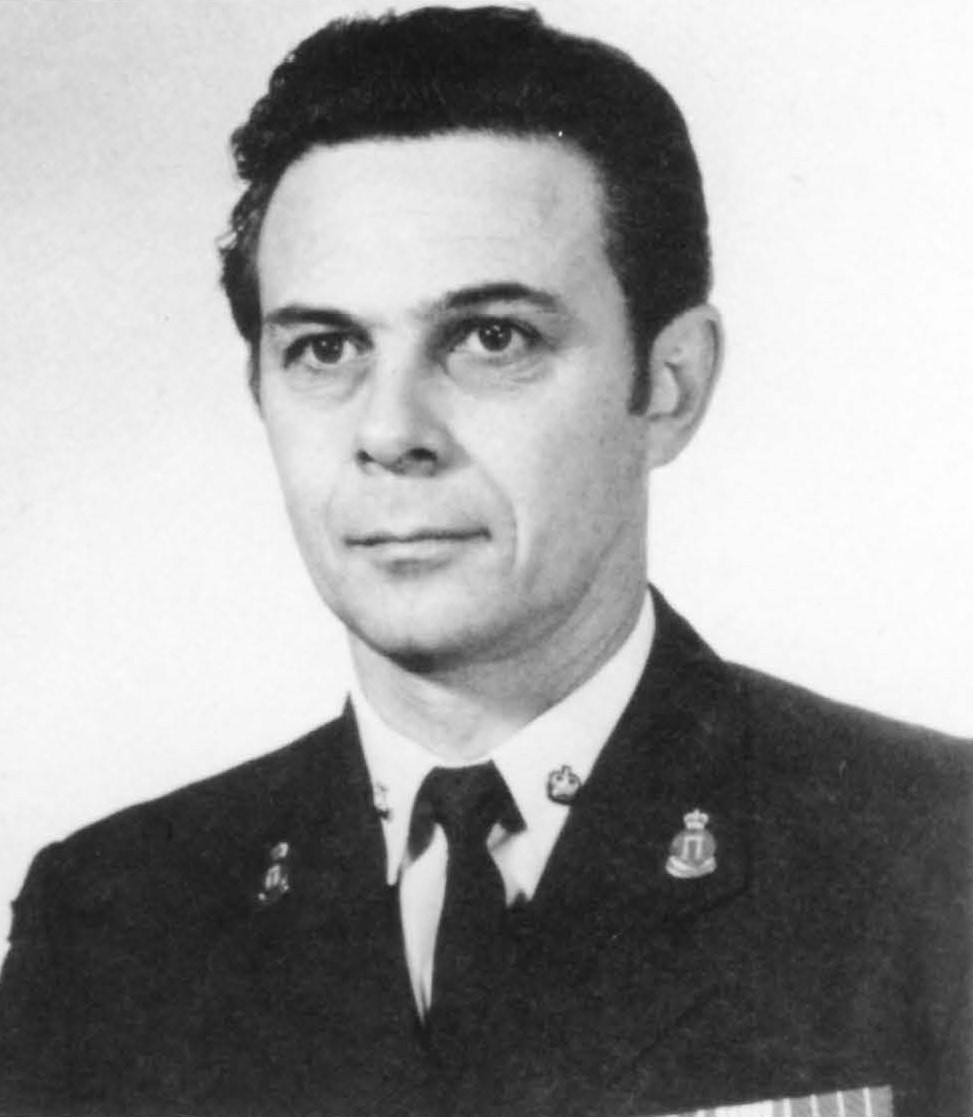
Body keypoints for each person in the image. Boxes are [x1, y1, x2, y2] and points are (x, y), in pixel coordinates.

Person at [0, 6, 969, 1115]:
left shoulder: (937, 856)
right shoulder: (109, 923)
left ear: (669, 385)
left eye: (490, 337)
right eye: (325, 348)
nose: (389, 431)